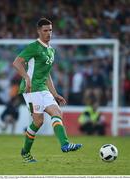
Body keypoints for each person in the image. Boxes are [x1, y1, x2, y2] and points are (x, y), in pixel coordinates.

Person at [13, 18, 82, 163]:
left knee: (57, 112)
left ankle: (65, 144)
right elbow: (17, 62)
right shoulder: (33, 47)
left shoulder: (51, 50)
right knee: (38, 121)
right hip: (31, 90)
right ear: (39, 31)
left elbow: (47, 74)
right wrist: (26, 78)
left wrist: (55, 94)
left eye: (50, 30)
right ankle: (25, 152)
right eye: (45, 30)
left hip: (43, 89)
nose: (48, 33)